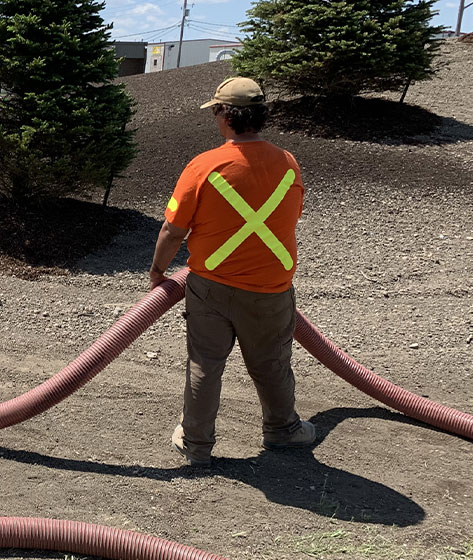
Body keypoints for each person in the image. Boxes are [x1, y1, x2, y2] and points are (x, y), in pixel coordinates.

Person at [149, 77, 317, 467]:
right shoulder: (288, 164)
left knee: (205, 363)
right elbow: (288, 218)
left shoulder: (204, 166)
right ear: (260, 116)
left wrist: (158, 273)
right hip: (272, 287)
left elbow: (173, 230)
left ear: (225, 115)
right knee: (272, 362)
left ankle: (196, 445)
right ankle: (283, 431)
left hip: (211, 287)